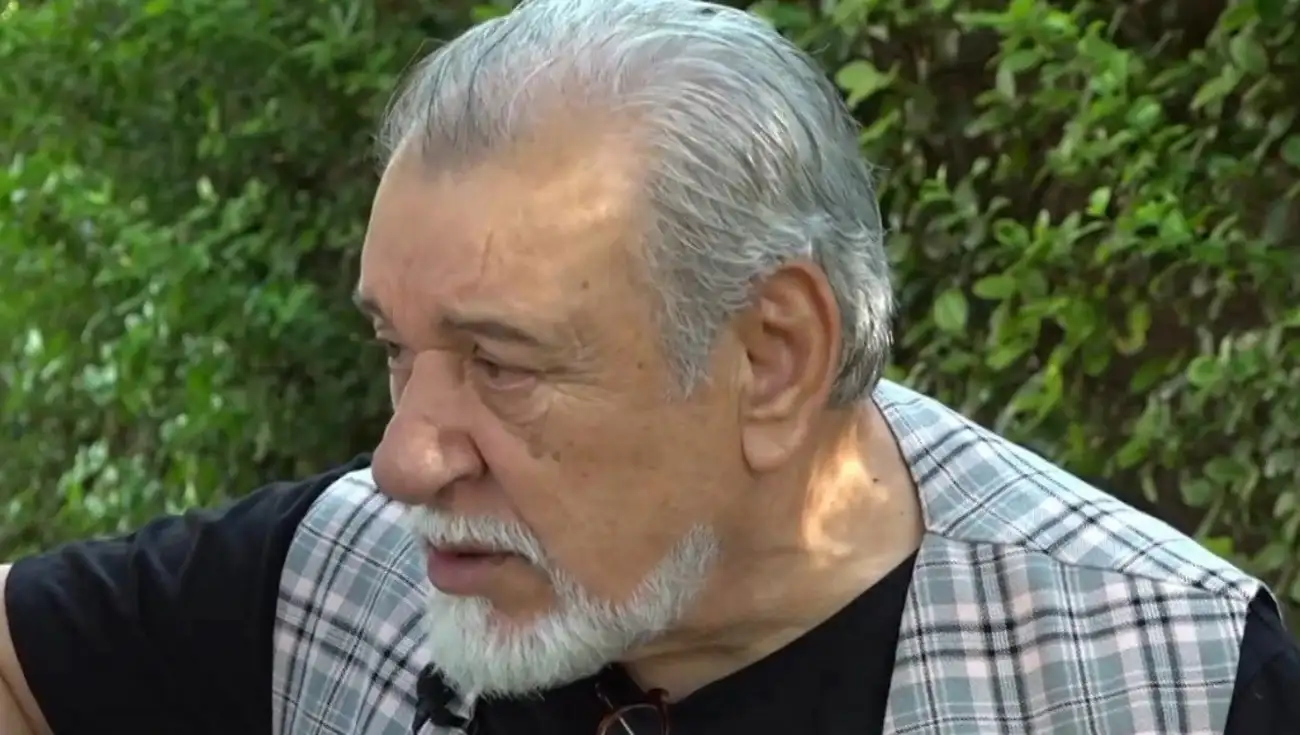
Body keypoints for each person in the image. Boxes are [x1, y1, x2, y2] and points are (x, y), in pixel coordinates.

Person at [3, 0, 1298, 732]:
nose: (403, 461)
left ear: (774, 358)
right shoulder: (331, 580)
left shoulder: (1174, 682)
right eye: (399, 349)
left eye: (501, 363)